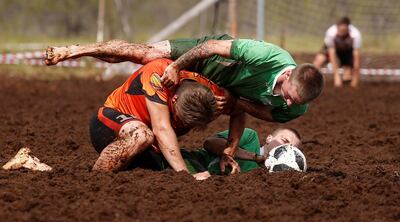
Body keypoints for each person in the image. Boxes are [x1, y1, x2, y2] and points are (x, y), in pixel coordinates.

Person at [45, 34, 323, 174]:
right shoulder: (267, 55)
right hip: (210, 58)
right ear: (287, 75)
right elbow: (211, 46)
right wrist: (175, 66)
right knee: (150, 54)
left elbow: (246, 111)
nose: (288, 102)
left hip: (217, 89)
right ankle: (77, 50)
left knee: (176, 126)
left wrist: (231, 148)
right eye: (288, 95)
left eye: (294, 102)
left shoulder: (295, 107)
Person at [89, 58, 233, 180]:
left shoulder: (214, 95)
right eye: (180, 119)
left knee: (164, 167)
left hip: (150, 147)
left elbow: (239, 109)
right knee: (142, 136)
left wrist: (229, 152)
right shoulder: (159, 75)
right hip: (111, 122)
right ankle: (96, 179)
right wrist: (187, 176)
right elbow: (161, 129)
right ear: (175, 99)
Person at [141, 127, 301, 176]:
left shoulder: (265, 176)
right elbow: (209, 143)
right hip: (193, 162)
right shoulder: (250, 137)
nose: (285, 149)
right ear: (268, 138)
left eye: (291, 148)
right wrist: (254, 157)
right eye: (284, 141)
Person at [313, 17, 362, 88]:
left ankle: (347, 75)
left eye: (343, 31)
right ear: (337, 27)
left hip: (347, 51)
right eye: (340, 30)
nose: (341, 33)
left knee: (347, 77)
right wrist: (337, 77)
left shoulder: (356, 35)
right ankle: (312, 82)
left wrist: (355, 81)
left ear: (348, 28)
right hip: (333, 50)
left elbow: (357, 57)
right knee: (318, 61)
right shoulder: (331, 33)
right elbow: (332, 53)